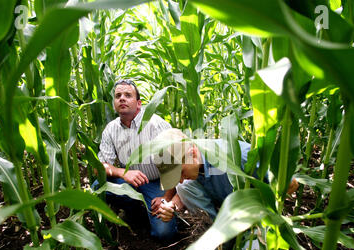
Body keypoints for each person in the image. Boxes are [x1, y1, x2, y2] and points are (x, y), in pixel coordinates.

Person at [151, 128, 299, 222]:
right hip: (226, 211)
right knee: (184, 187)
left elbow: (291, 184)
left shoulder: (237, 156)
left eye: (181, 172)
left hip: (253, 215)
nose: (180, 179)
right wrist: (172, 207)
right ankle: (216, 236)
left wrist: (258, 205)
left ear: (193, 152)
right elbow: (188, 188)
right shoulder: (195, 163)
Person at [93, 79, 177, 241]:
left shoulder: (156, 125)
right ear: (114, 103)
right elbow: (98, 168)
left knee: (164, 233)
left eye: (127, 95)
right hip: (131, 183)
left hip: (159, 183)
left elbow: (175, 167)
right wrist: (123, 173)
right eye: (118, 96)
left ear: (138, 104)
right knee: (99, 187)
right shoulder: (111, 129)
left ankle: (152, 211)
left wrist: (166, 198)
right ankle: (136, 210)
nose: (122, 98)